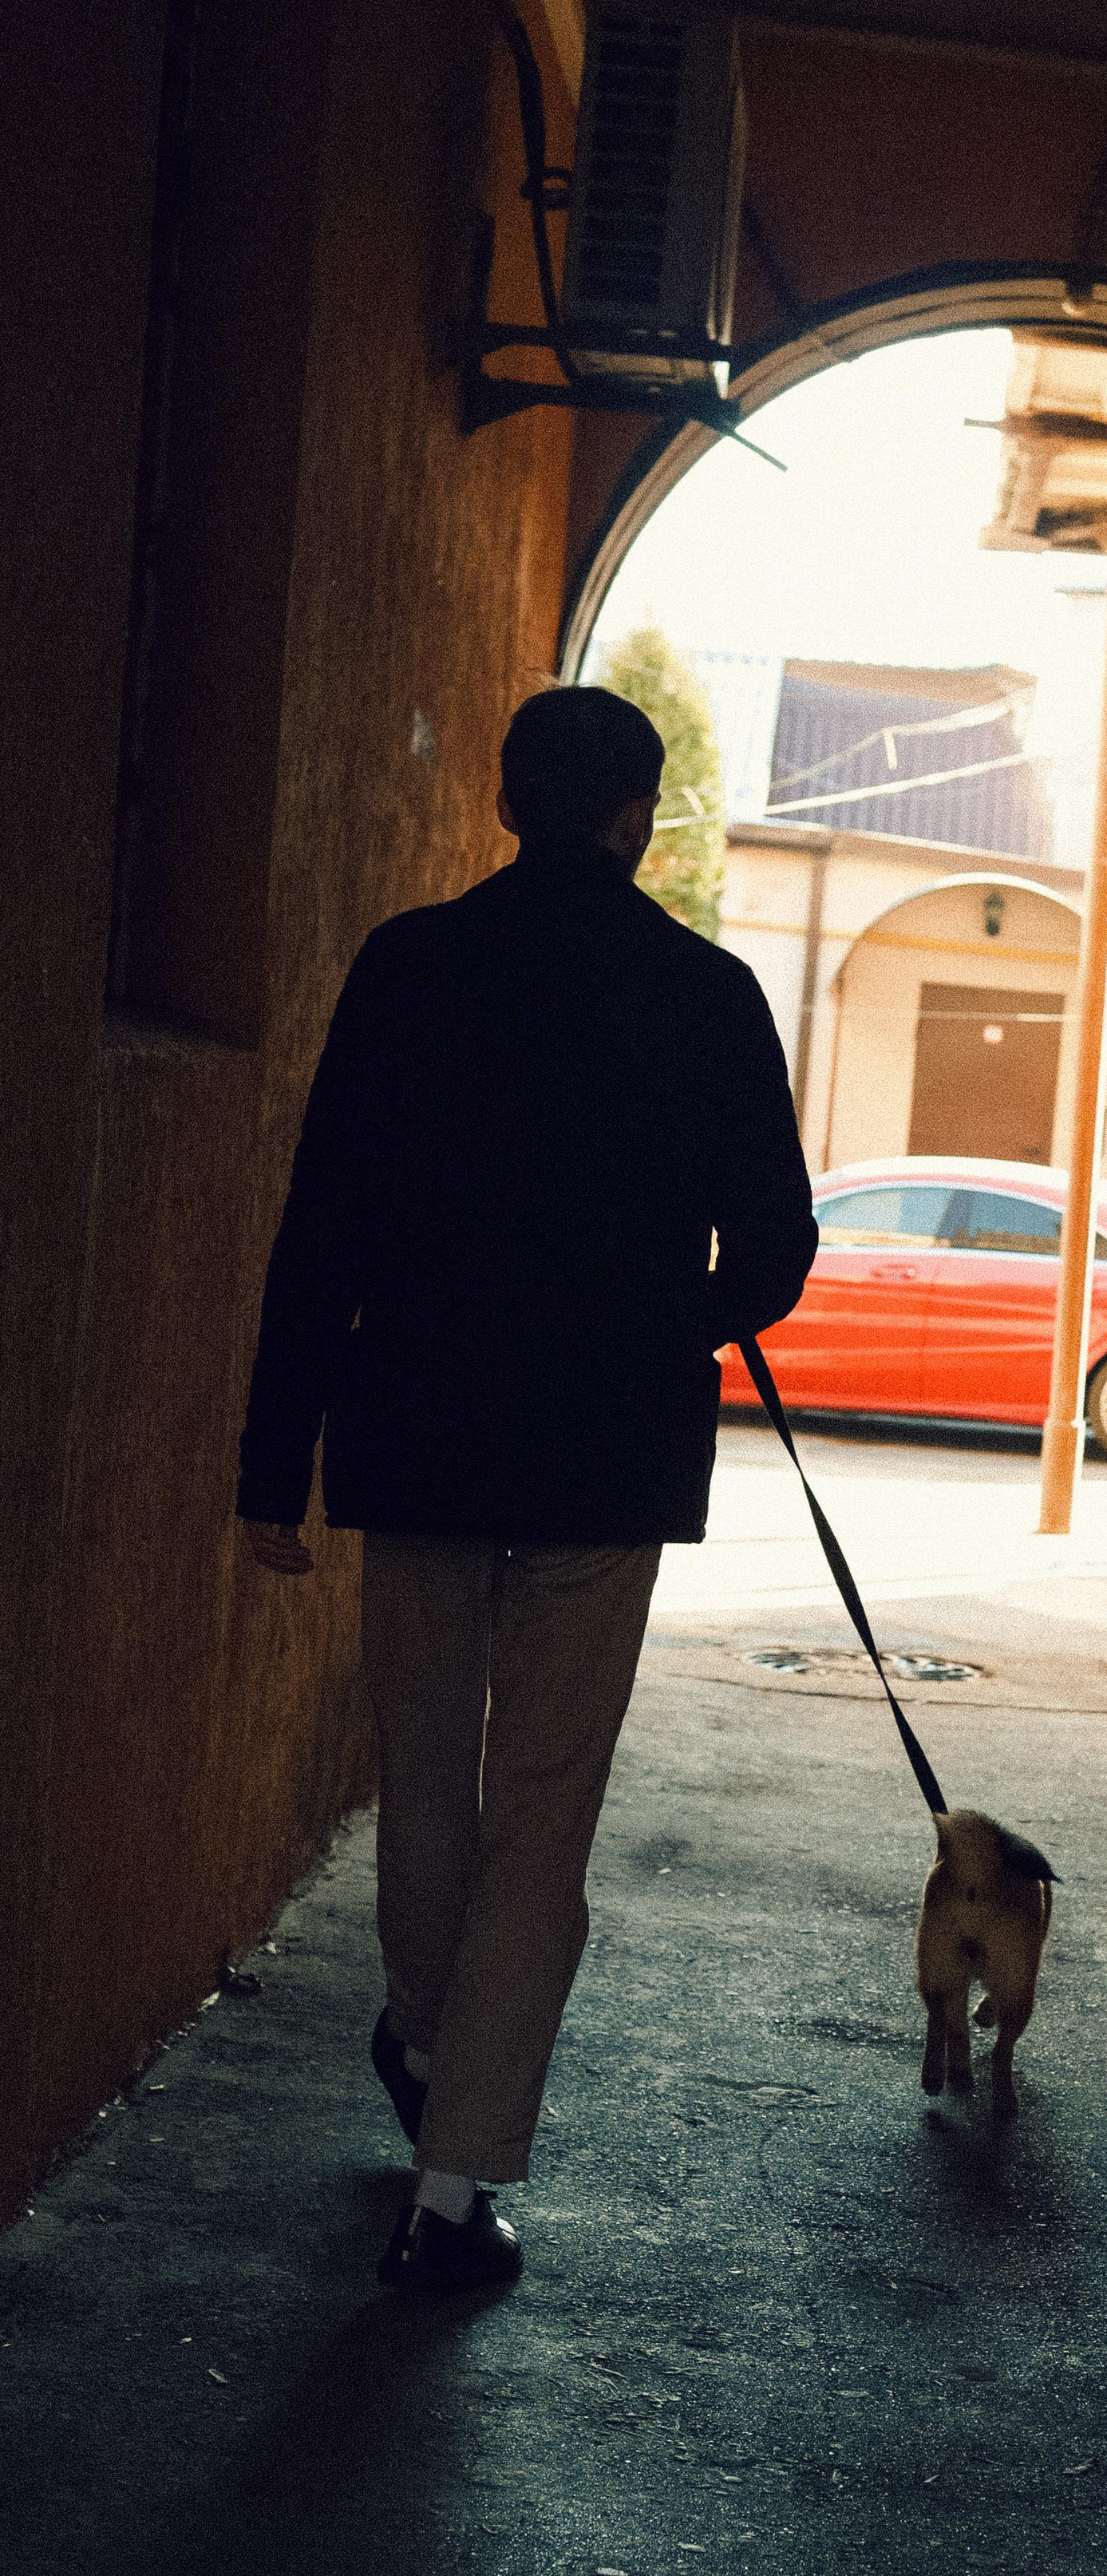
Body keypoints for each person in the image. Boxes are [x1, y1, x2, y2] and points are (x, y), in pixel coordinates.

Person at [237, 686, 816, 2293]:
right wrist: (661, 1318)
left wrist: (270, 1464)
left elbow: (322, 1223)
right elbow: (774, 1252)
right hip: (602, 1460)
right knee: (541, 1823)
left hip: (415, 1439)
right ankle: (452, 2187)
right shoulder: (705, 997)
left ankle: (428, 2036)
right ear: (639, 818)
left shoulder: (406, 969)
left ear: (505, 802)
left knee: (424, 1784)